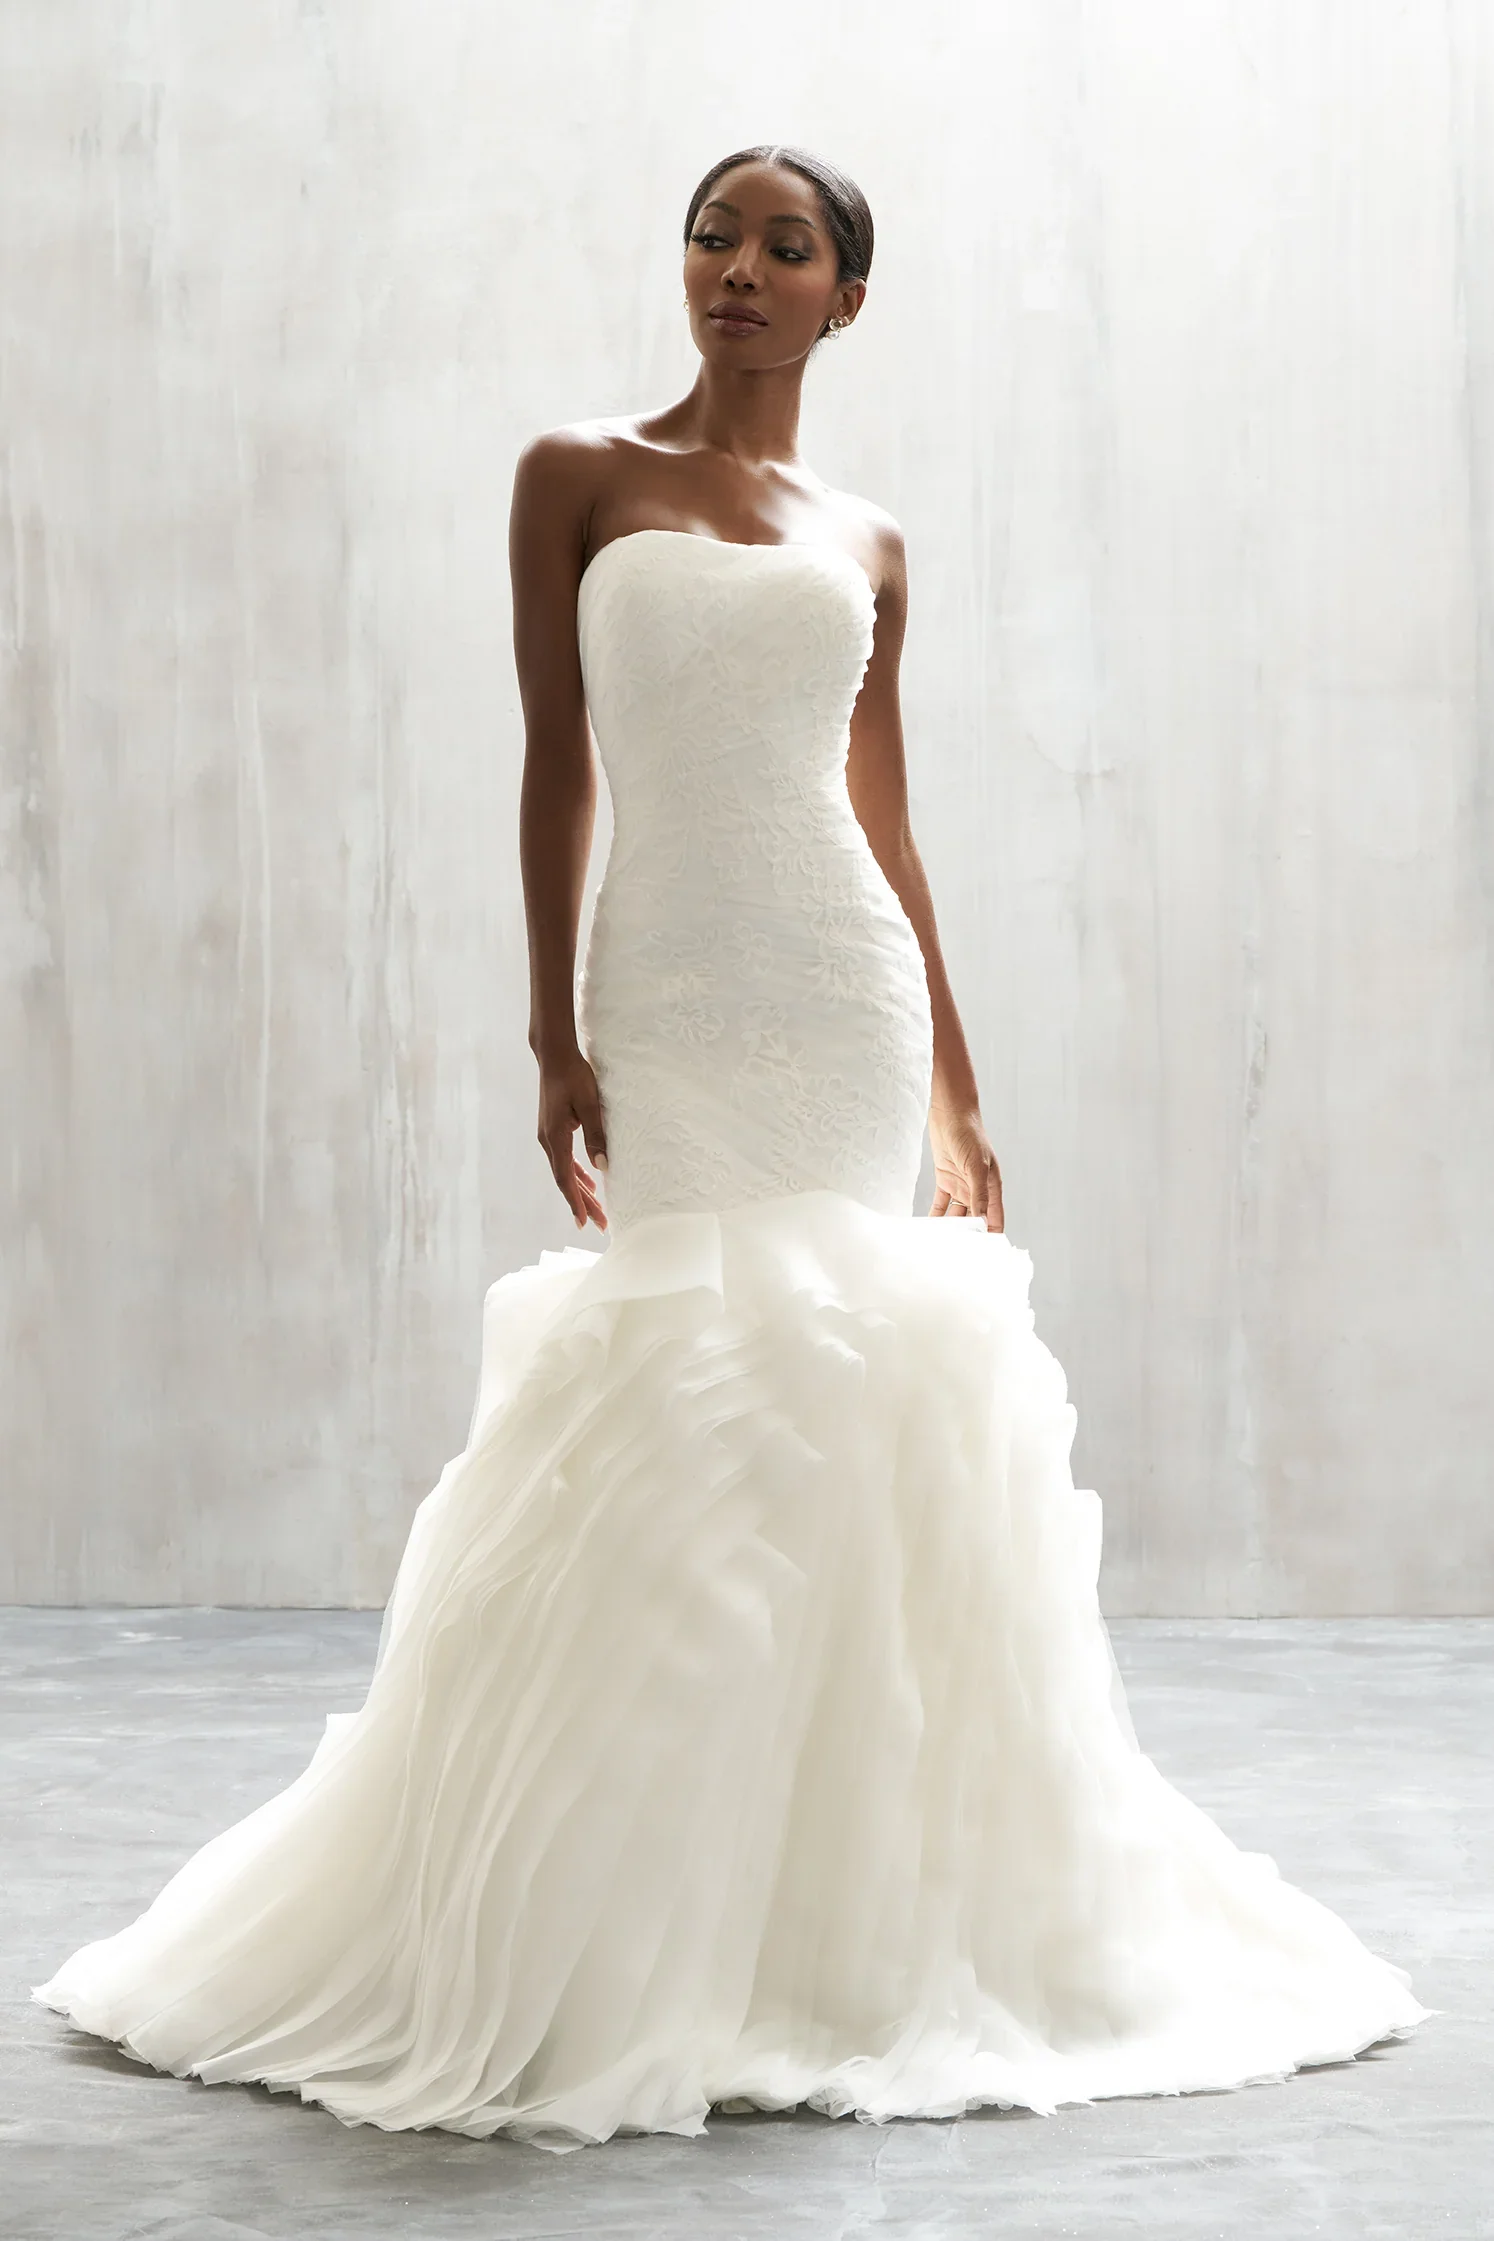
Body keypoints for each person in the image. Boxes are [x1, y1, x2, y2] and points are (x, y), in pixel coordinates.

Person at [33, 144, 1428, 2154]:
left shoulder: (869, 540)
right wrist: (551, 1028)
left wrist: (955, 1084)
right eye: (714, 237)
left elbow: (886, 821)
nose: (739, 270)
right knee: (683, 1395)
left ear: (847, 297)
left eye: (785, 248)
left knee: (846, 1402)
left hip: (843, 990)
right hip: (673, 990)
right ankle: (619, 1926)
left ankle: (830, 1929)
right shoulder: (575, 475)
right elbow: (555, 762)